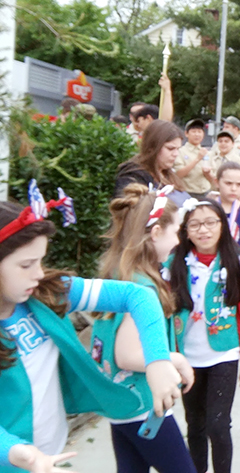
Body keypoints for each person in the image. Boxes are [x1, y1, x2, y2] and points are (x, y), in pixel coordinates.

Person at [0, 193, 183, 472]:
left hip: (48, 456)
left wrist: (157, 360)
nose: (38, 273)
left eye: (40, 261)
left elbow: (138, 297)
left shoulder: (47, 293)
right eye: (26, 265)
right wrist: (14, 452)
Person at [92, 185, 197, 473]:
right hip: (143, 405)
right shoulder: (142, 288)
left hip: (122, 404)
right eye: (176, 231)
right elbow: (126, 354)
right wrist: (174, 360)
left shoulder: (121, 275)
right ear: (155, 233)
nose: (179, 239)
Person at [167, 199, 240, 473]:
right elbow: (166, 312)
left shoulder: (236, 260)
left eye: (210, 223)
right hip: (187, 357)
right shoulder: (176, 263)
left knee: (218, 425)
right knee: (195, 423)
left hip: (224, 353)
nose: (203, 230)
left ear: (222, 226)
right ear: (185, 229)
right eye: (195, 224)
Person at [115, 120, 186, 198]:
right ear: (152, 147)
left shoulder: (169, 175)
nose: (176, 154)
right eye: (170, 148)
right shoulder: (132, 176)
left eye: (178, 149)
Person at [176, 119, 214, 200]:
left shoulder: (208, 153)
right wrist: (197, 159)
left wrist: (208, 173)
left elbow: (213, 179)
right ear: (186, 134)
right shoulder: (180, 152)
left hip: (205, 193)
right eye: (194, 131)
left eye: (199, 132)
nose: (197, 134)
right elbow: (178, 174)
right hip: (187, 193)